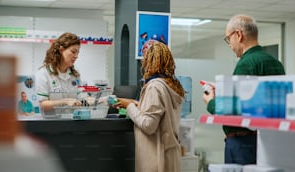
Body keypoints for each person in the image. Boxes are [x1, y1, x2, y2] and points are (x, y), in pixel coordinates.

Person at [203, 14, 285, 165]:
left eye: (229, 39)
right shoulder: (276, 64)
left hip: (242, 143)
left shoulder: (246, 64)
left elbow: (233, 110)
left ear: (238, 35)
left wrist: (211, 102)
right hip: (270, 142)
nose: (230, 45)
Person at [115, 40, 185, 172]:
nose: (143, 63)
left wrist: (129, 106)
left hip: (156, 159)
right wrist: (138, 105)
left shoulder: (154, 86)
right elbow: (163, 113)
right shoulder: (171, 85)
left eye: (144, 59)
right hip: (169, 155)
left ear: (150, 61)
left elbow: (148, 125)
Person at [35, 32, 82, 115]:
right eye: (73, 52)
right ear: (61, 50)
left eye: (78, 52)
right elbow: (42, 104)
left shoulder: (75, 75)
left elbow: (80, 100)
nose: (76, 56)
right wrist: (64, 101)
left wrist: (101, 100)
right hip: (51, 125)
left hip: (72, 124)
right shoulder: (43, 73)